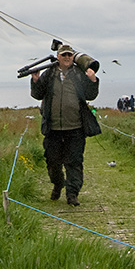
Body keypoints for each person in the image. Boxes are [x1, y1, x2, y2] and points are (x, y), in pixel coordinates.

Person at [29, 43, 100, 206]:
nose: (67, 58)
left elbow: (91, 94)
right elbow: (37, 94)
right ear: (58, 57)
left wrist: (93, 80)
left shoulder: (79, 73)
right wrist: (35, 80)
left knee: (74, 162)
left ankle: (72, 194)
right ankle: (58, 184)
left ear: (72, 57)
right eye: (64, 55)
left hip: (75, 128)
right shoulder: (49, 74)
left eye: (69, 55)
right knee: (52, 161)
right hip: (53, 129)